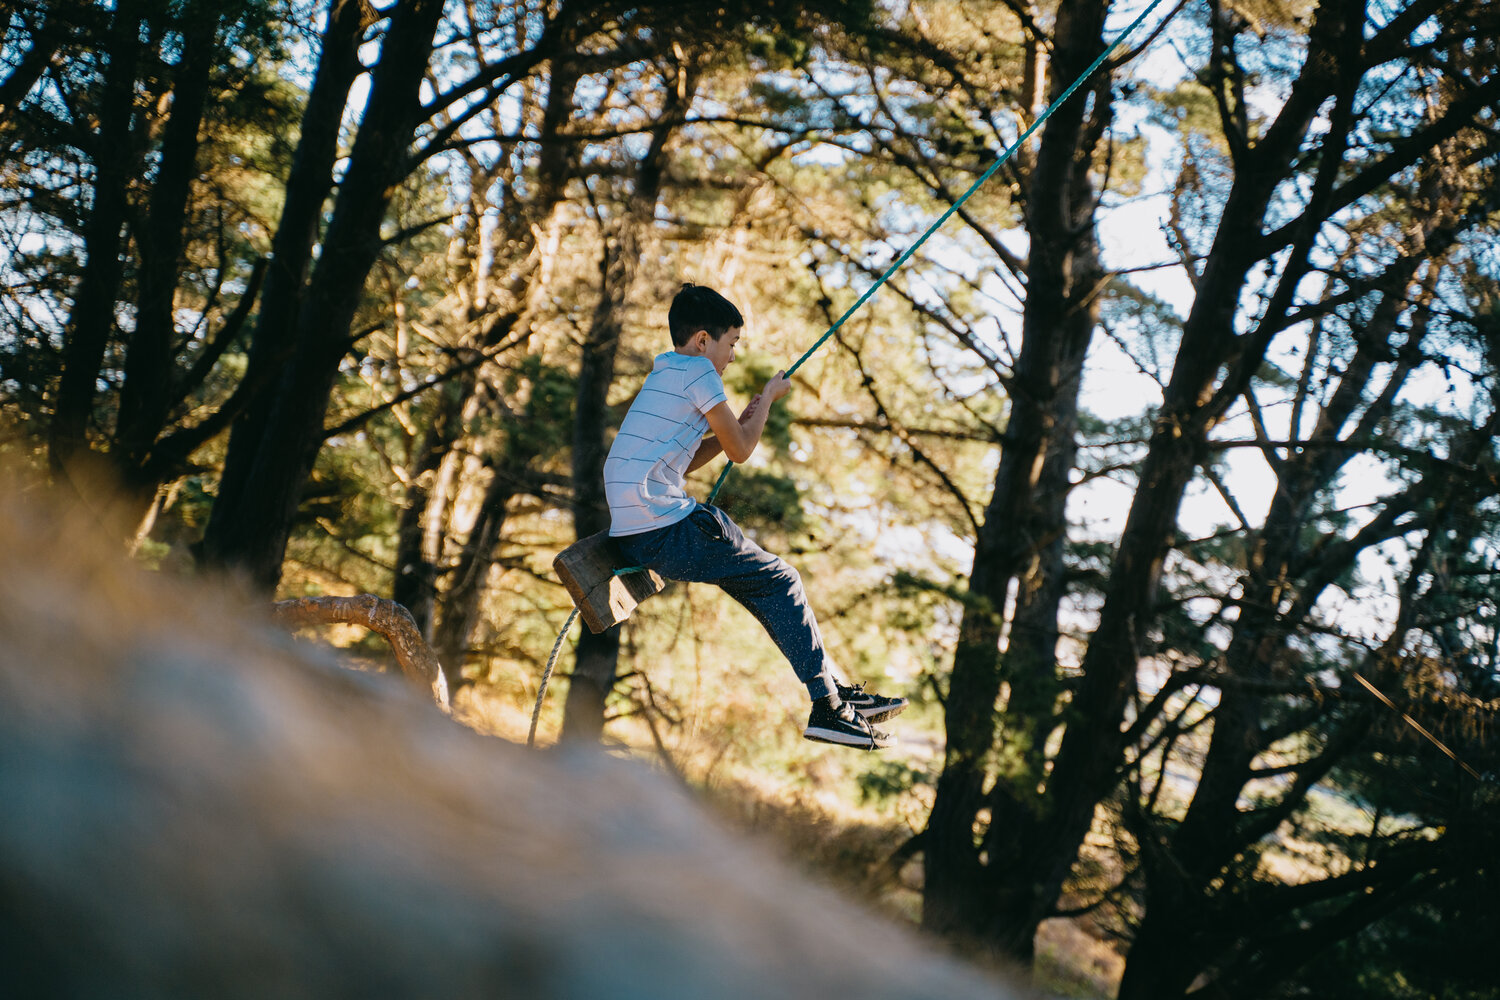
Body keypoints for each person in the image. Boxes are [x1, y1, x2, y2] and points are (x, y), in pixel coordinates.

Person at [604, 283, 907, 749]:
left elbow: (687, 460)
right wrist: (767, 400)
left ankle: (833, 691)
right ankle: (828, 707)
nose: (731, 356)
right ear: (703, 340)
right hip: (664, 531)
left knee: (765, 585)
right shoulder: (701, 375)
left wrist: (740, 422)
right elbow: (742, 451)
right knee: (782, 579)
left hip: (642, 532)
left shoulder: (664, 372)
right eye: (731, 344)